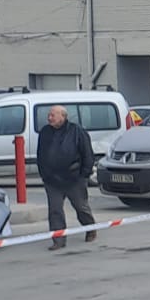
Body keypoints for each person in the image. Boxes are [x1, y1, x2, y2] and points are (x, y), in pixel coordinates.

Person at [36, 104, 96, 250]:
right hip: (52, 180)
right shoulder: (45, 132)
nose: (49, 118)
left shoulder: (77, 131)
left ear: (63, 116)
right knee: (55, 210)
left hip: (74, 178)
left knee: (81, 207)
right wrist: (44, 175)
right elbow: (40, 155)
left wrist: (84, 175)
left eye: (53, 115)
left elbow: (87, 154)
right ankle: (58, 240)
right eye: (49, 115)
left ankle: (90, 228)